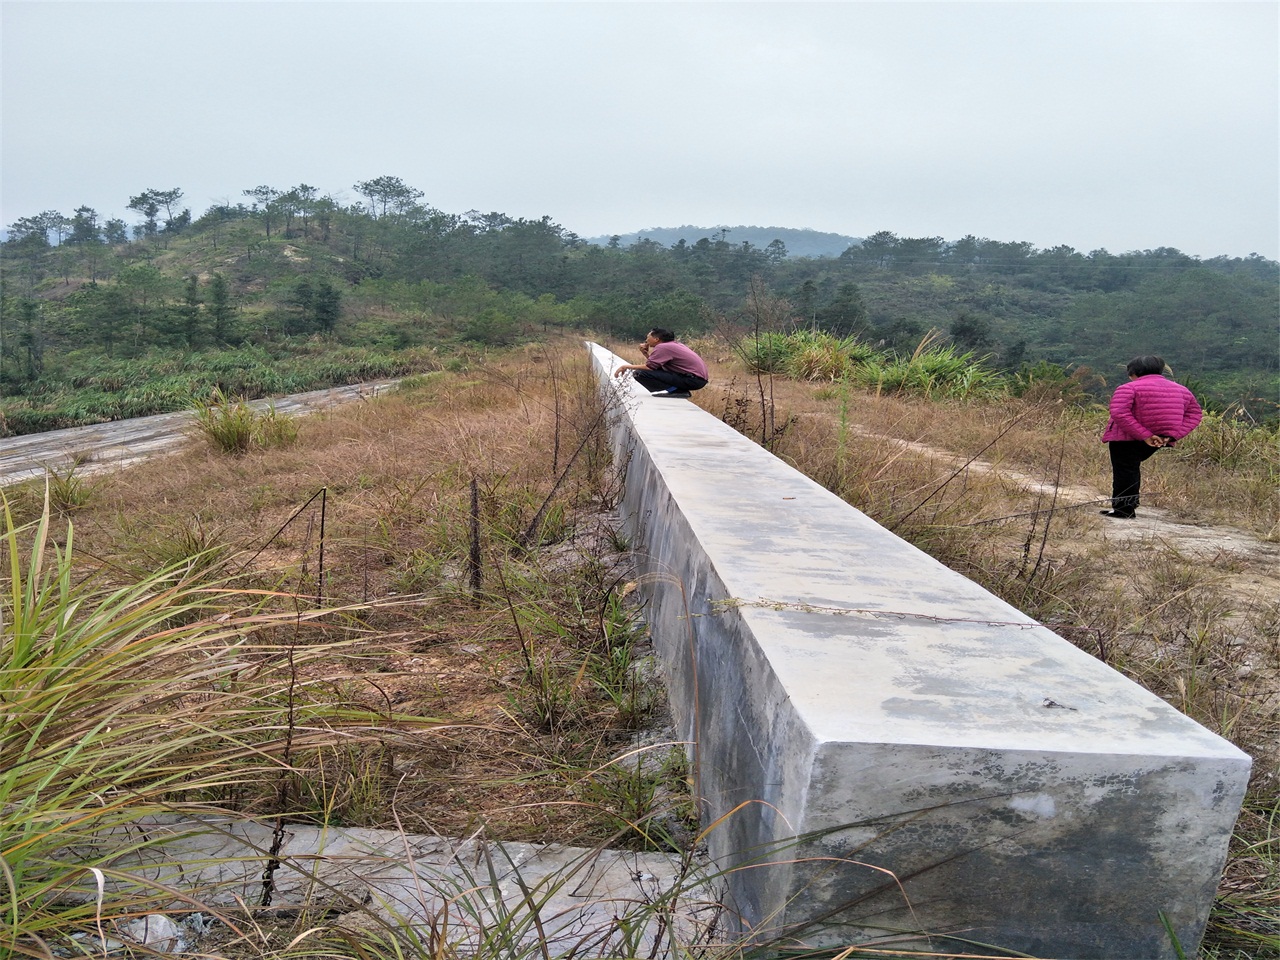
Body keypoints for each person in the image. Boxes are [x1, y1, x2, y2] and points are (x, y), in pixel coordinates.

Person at [1099, 355, 1202, 519]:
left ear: (1133, 372)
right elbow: (1195, 414)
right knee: (1131, 468)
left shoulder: (1128, 388)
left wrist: (1145, 435)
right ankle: (1128, 505)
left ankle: (1124, 509)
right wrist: (1172, 436)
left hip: (1126, 437)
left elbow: (1119, 413)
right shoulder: (1182, 390)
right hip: (1160, 438)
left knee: (1126, 470)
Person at [613, 328, 709, 398]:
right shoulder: (673, 345)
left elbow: (649, 367)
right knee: (645, 372)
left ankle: (678, 391)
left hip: (693, 380)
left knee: (639, 373)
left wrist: (626, 366)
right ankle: (678, 390)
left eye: (648, 337)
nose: (646, 340)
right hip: (696, 379)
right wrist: (645, 353)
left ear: (656, 339)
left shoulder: (662, 347)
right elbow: (655, 365)